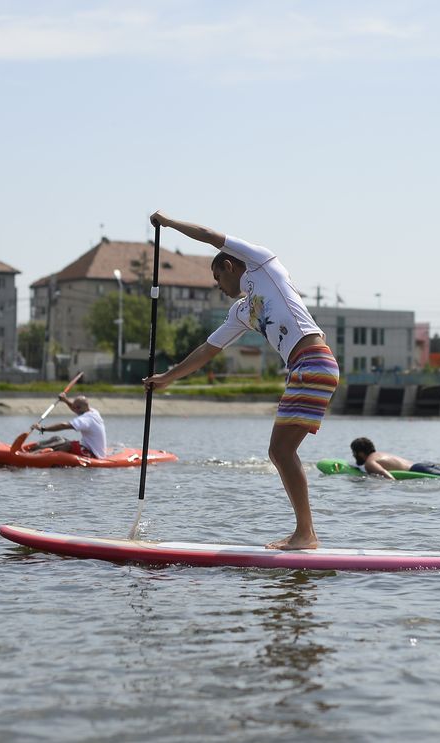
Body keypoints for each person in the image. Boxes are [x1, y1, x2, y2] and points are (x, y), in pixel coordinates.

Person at [143, 211, 338, 551]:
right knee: (280, 451)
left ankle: (306, 534)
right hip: (303, 367)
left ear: (230, 267)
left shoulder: (262, 263)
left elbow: (207, 234)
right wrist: (168, 378)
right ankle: (305, 533)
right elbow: (207, 349)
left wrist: (169, 223)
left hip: (313, 361)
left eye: (218, 278)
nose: (218, 287)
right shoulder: (242, 311)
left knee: (280, 450)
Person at [348, 437, 440, 479]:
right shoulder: (380, 454)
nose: (353, 456)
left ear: (359, 453)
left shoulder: (370, 462)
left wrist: (393, 484)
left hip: (419, 469)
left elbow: (385, 475)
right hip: (421, 465)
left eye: (354, 453)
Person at [28, 394, 107, 458]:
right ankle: (34, 450)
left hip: (94, 454)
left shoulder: (86, 419)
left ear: (79, 408)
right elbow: (75, 408)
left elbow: (63, 425)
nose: (73, 409)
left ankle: (41, 457)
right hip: (86, 447)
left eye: (75, 407)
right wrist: (65, 400)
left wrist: (43, 428)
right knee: (58, 439)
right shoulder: (93, 411)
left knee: (67, 445)